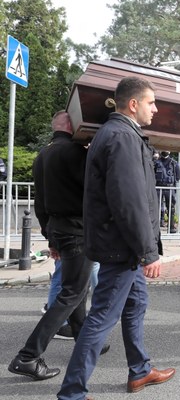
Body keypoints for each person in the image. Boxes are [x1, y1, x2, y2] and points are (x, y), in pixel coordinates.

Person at [57, 76, 175, 399]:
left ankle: (139, 370)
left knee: (136, 304)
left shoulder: (122, 134)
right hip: (121, 248)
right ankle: (72, 392)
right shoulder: (122, 138)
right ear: (133, 104)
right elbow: (129, 201)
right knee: (102, 317)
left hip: (124, 247)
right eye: (151, 102)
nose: (156, 109)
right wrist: (149, 251)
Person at [9, 111, 107, 381]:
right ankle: (28, 356)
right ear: (71, 126)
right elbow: (97, 190)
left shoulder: (43, 154)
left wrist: (50, 237)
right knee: (73, 292)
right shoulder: (75, 152)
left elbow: (40, 203)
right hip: (77, 230)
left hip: (59, 230)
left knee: (74, 289)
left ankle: (84, 340)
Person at [154, 150, 180, 233]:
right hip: (158, 188)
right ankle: (156, 228)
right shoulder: (156, 163)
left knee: (171, 208)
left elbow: (178, 176)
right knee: (156, 208)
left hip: (170, 188)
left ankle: (171, 227)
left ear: (169, 152)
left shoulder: (174, 163)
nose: (165, 151)